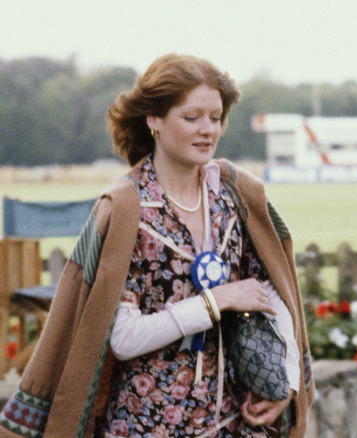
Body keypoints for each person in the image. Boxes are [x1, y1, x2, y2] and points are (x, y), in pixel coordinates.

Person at [0, 54, 314, 438]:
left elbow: (271, 291)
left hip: (233, 422)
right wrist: (215, 303)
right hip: (144, 425)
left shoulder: (236, 194)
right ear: (154, 120)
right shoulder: (127, 208)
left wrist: (286, 381)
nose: (207, 131)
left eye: (215, 118)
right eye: (191, 117)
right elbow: (124, 338)